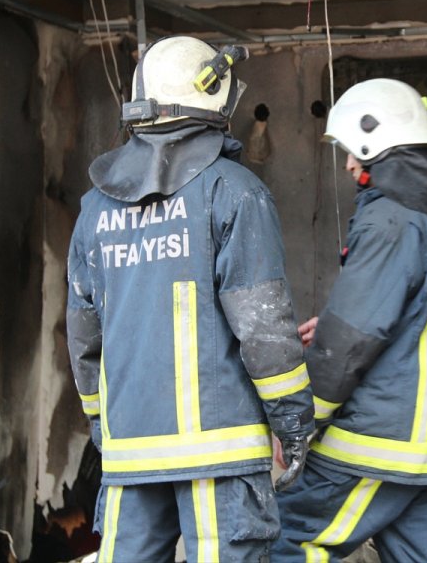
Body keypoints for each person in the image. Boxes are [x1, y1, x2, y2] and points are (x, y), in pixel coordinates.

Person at [65, 35, 315, 562]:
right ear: (215, 98)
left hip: (131, 453)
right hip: (219, 460)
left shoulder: (95, 209)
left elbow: (84, 333)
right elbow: (264, 330)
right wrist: (292, 424)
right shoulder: (235, 191)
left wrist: (102, 427)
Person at [272, 78, 427, 563]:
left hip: (381, 445)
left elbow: (354, 337)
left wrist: (299, 423)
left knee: (283, 540)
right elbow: (425, 315)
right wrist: (332, 322)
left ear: (380, 147)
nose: (349, 165)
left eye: (356, 153)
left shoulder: (393, 217)